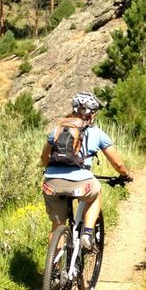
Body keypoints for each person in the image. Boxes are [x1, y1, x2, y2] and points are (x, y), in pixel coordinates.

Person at [40, 92, 131, 250]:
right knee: (95, 193)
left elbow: (43, 158)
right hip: (82, 182)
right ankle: (87, 234)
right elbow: (117, 163)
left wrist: (54, 171)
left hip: (51, 183)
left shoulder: (57, 129)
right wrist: (125, 175)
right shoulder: (97, 133)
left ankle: (53, 269)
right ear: (93, 113)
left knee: (57, 225)